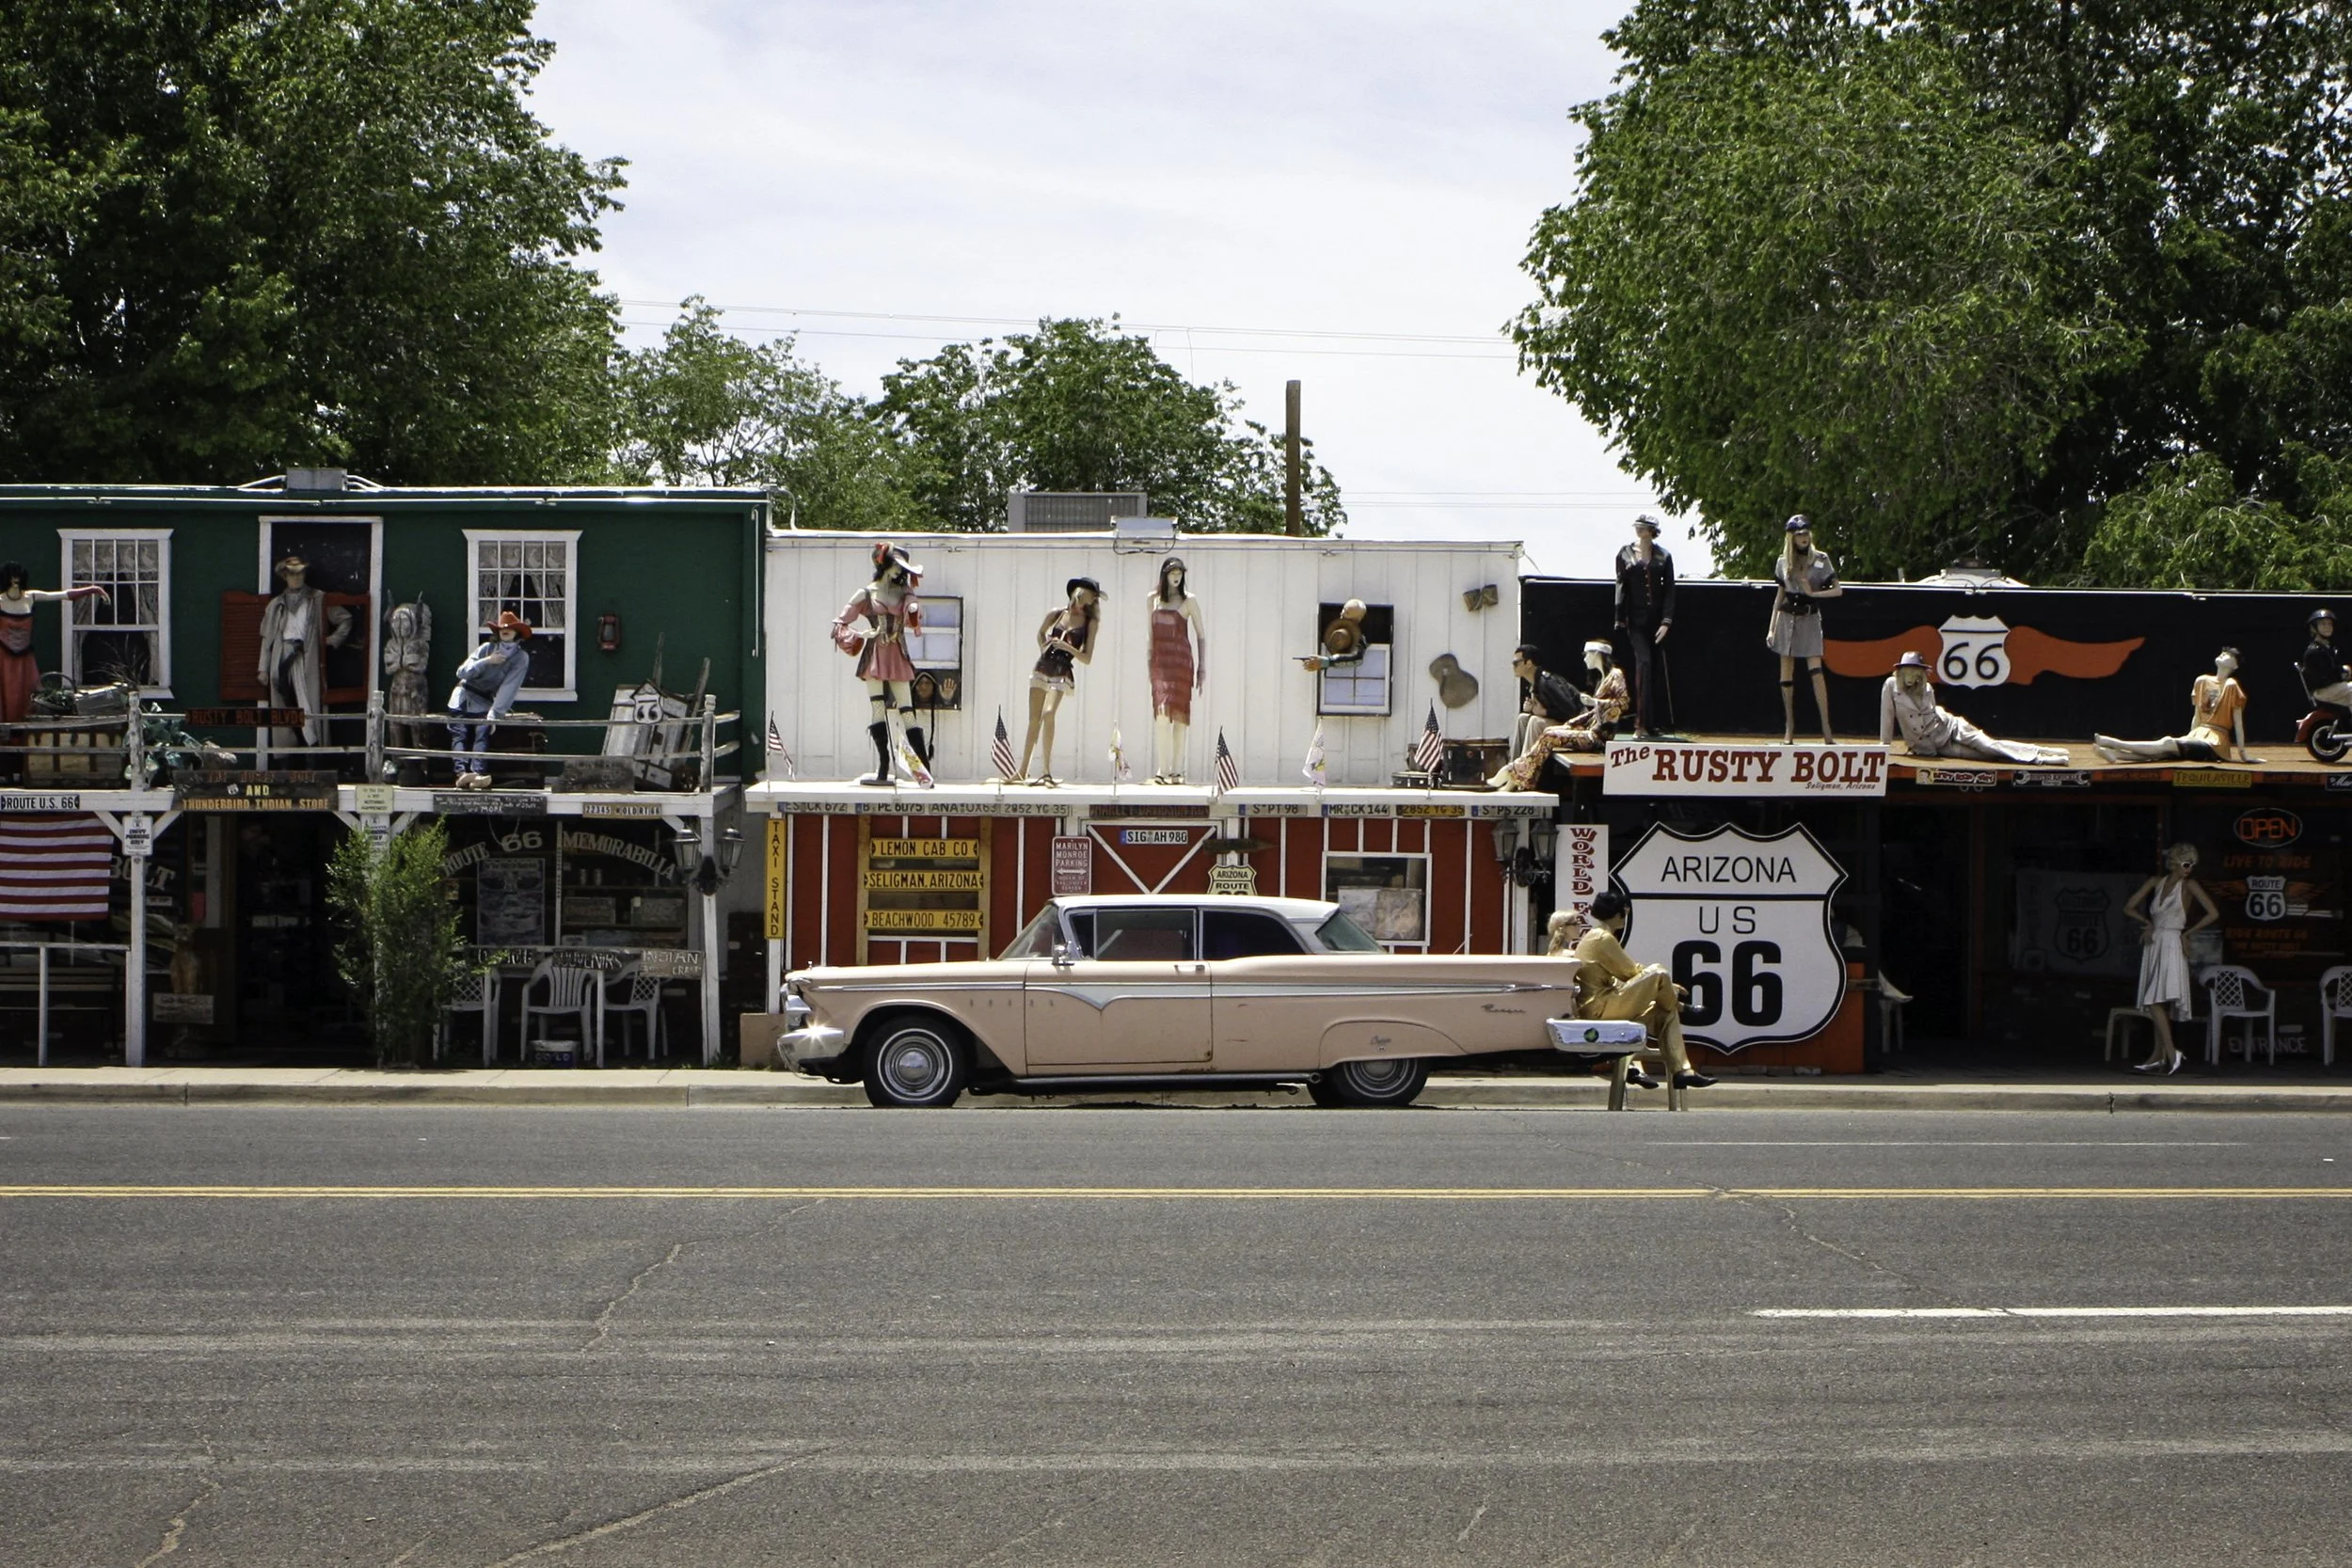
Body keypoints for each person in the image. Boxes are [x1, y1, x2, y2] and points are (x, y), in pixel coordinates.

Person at [1573, 888, 1715, 1090]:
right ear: (1617, 913)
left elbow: (1628, 976)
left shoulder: (1596, 937)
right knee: (1658, 971)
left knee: (1666, 1013)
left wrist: (1665, 986)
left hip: (1605, 1005)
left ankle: (1682, 1071)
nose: (1625, 917)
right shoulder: (1602, 938)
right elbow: (1630, 972)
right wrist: (1665, 985)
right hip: (1600, 1008)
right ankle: (1681, 1006)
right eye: (1624, 912)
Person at [833, 543, 928, 786]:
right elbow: (840, 623)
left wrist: (915, 611)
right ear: (884, 564)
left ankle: (924, 768)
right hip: (875, 654)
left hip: (897, 652)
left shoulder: (905, 592)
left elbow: (913, 613)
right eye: (895, 565)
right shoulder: (866, 592)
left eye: (902, 568)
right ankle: (884, 764)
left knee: (907, 710)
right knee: (878, 709)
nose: (898, 571)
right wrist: (859, 635)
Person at [2122, 843, 2220, 1074]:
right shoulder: (2156, 882)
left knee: (2154, 1000)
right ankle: (2158, 1056)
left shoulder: (2189, 885)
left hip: (2172, 941)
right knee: (2157, 1000)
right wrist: (2147, 923)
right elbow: (2129, 907)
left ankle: (2171, 1051)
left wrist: (2187, 933)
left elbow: (2213, 912)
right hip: (2155, 941)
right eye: (2186, 864)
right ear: (2175, 863)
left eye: (2192, 865)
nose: (2189, 869)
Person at [1879, 651, 2070, 764]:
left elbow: (1929, 714)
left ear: (1921, 673)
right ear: (1900, 672)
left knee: (1989, 745)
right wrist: (1884, 746)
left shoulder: (1927, 689)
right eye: (1907, 672)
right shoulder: (1890, 686)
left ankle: (2041, 752)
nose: (1911, 676)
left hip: (1950, 727)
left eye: (1915, 672)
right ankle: (2041, 759)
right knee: (1987, 756)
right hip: (1932, 747)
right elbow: (1887, 715)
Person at [1491, 640, 1628, 790]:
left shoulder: (1615, 675)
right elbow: (1592, 714)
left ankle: (1517, 774)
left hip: (1598, 737)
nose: (1584, 658)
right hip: (1589, 729)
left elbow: (1623, 702)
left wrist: (1594, 702)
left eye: (1586, 655)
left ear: (1596, 654)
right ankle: (1516, 772)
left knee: (1545, 730)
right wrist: (1571, 724)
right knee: (1544, 729)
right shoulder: (1601, 680)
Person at [257, 553, 355, 750]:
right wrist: (264, 669)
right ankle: (286, 754)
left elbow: (345, 618)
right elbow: (267, 639)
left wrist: (330, 641)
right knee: (281, 705)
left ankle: (313, 752)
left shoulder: (317, 598)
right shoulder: (276, 605)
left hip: (305, 654)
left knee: (307, 704)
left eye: (300, 573)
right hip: (281, 654)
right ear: (285, 576)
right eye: (292, 574)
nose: (297, 578)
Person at [1012, 578, 1101, 785]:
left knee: (1049, 713)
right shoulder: (1058, 613)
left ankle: (1046, 770)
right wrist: (1045, 646)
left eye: (1089, 601)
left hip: (1063, 669)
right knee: (1034, 718)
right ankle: (1023, 769)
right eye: (1083, 599)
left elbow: (1087, 658)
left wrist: (1066, 647)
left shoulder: (1091, 623)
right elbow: (1041, 632)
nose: (1084, 604)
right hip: (1043, 665)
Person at [0, 562, 107, 726]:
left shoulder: (31, 596)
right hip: (3, 657)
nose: (16, 580)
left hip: (25, 657)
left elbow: (62, 595)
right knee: (6, 695)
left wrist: (93, 589)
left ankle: (24, 737)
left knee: (28, 694)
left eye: (18, 576)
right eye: (12, 576)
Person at [2093, 649, 2249, 763]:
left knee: (2167, 743)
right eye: (2224, 652)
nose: (2224, 654)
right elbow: (2197, 715)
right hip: (2197, 736)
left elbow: (2238, 723)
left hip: (2215, 743)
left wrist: (2243, 754)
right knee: (2163, 753)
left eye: (2230, 655)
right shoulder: (2202, 681)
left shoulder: (2231, 685)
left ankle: (2112, 743)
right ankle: (2117, 755)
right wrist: (2191, 735)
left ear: (2235, 666)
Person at [1766, 515, 1842, 745]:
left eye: (1806, 533)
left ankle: (1827, 730)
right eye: (1799, 534)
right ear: (1791, 537)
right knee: (1786, 674)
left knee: (1816, 672)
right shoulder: (1783, 561)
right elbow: (1779, 596)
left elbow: (1838, 590)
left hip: (1810, 616)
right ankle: (1789, 728)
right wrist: (1771, 628)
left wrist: (1814, 594)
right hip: (1787, 618)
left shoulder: (1820, 559)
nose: (1804, 537)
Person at [446, 610, 532, 790]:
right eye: (502, 629)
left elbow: (509, 687)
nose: (505, 631)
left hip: (484, 701)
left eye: (510, 629)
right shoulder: (486, 649)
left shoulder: (520, 658)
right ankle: (461, 774)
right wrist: (487, 661)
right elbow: (461, 672)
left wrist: (495, 713)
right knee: (459, 733)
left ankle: (476, 774)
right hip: (463, 696)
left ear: (517, 632)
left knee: (482, 731)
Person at [1145, 556, 1206, 784]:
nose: (1176, 577)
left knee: (1180, 715)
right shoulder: (1152, 600)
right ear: (1164, 575)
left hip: (1181, 661)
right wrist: (1149, 660)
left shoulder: (1189, 601)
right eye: (1172, 573)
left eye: (1179, 573)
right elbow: (1149, 634)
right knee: (1161, 714)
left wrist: (1202, 666)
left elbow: (1201, 634)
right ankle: (1162, 769)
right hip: (1161, 663)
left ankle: (1177, 770)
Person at [1614, 515, 1676, 736]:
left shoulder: (1663, 556)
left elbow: (1669, 589)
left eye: (1646, 528)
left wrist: (1666, 621)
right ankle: (1640, 723)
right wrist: (1619, 616)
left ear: (1652, 531)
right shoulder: (1625, 553)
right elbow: (1621, 585)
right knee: (1644, 665)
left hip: (1657, 620)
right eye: (1639, 527)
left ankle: (1652, 723)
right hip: (1635, 619)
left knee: (1655, 670)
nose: (1641, 531)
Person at [1504, 643, 1582, 759]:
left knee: (1535, 722)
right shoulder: (1534, 684)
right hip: (1561, 723)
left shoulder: (1547, 683)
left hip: (1577, 726)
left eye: (1516, 663)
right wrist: (1532, 710)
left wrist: (1545, 712)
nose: (1513, 667)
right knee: (1523, 719)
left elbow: (1572, 712)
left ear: (1528, 663)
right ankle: (1514, 765)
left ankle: (1526, 769)